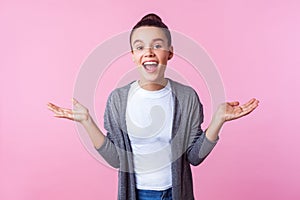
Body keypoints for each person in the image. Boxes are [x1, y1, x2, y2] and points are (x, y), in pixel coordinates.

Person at [47, 13, 259, 200]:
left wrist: (217, 121)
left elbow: (195, 157)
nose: (148, 52)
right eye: (140, 47)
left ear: (170, 52)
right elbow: (116, 159)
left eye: (157, 45)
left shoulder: (187, 97)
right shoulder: (118, 100)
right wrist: (86, 121)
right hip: (137, 194)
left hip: (176, 193)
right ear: (133, 55)